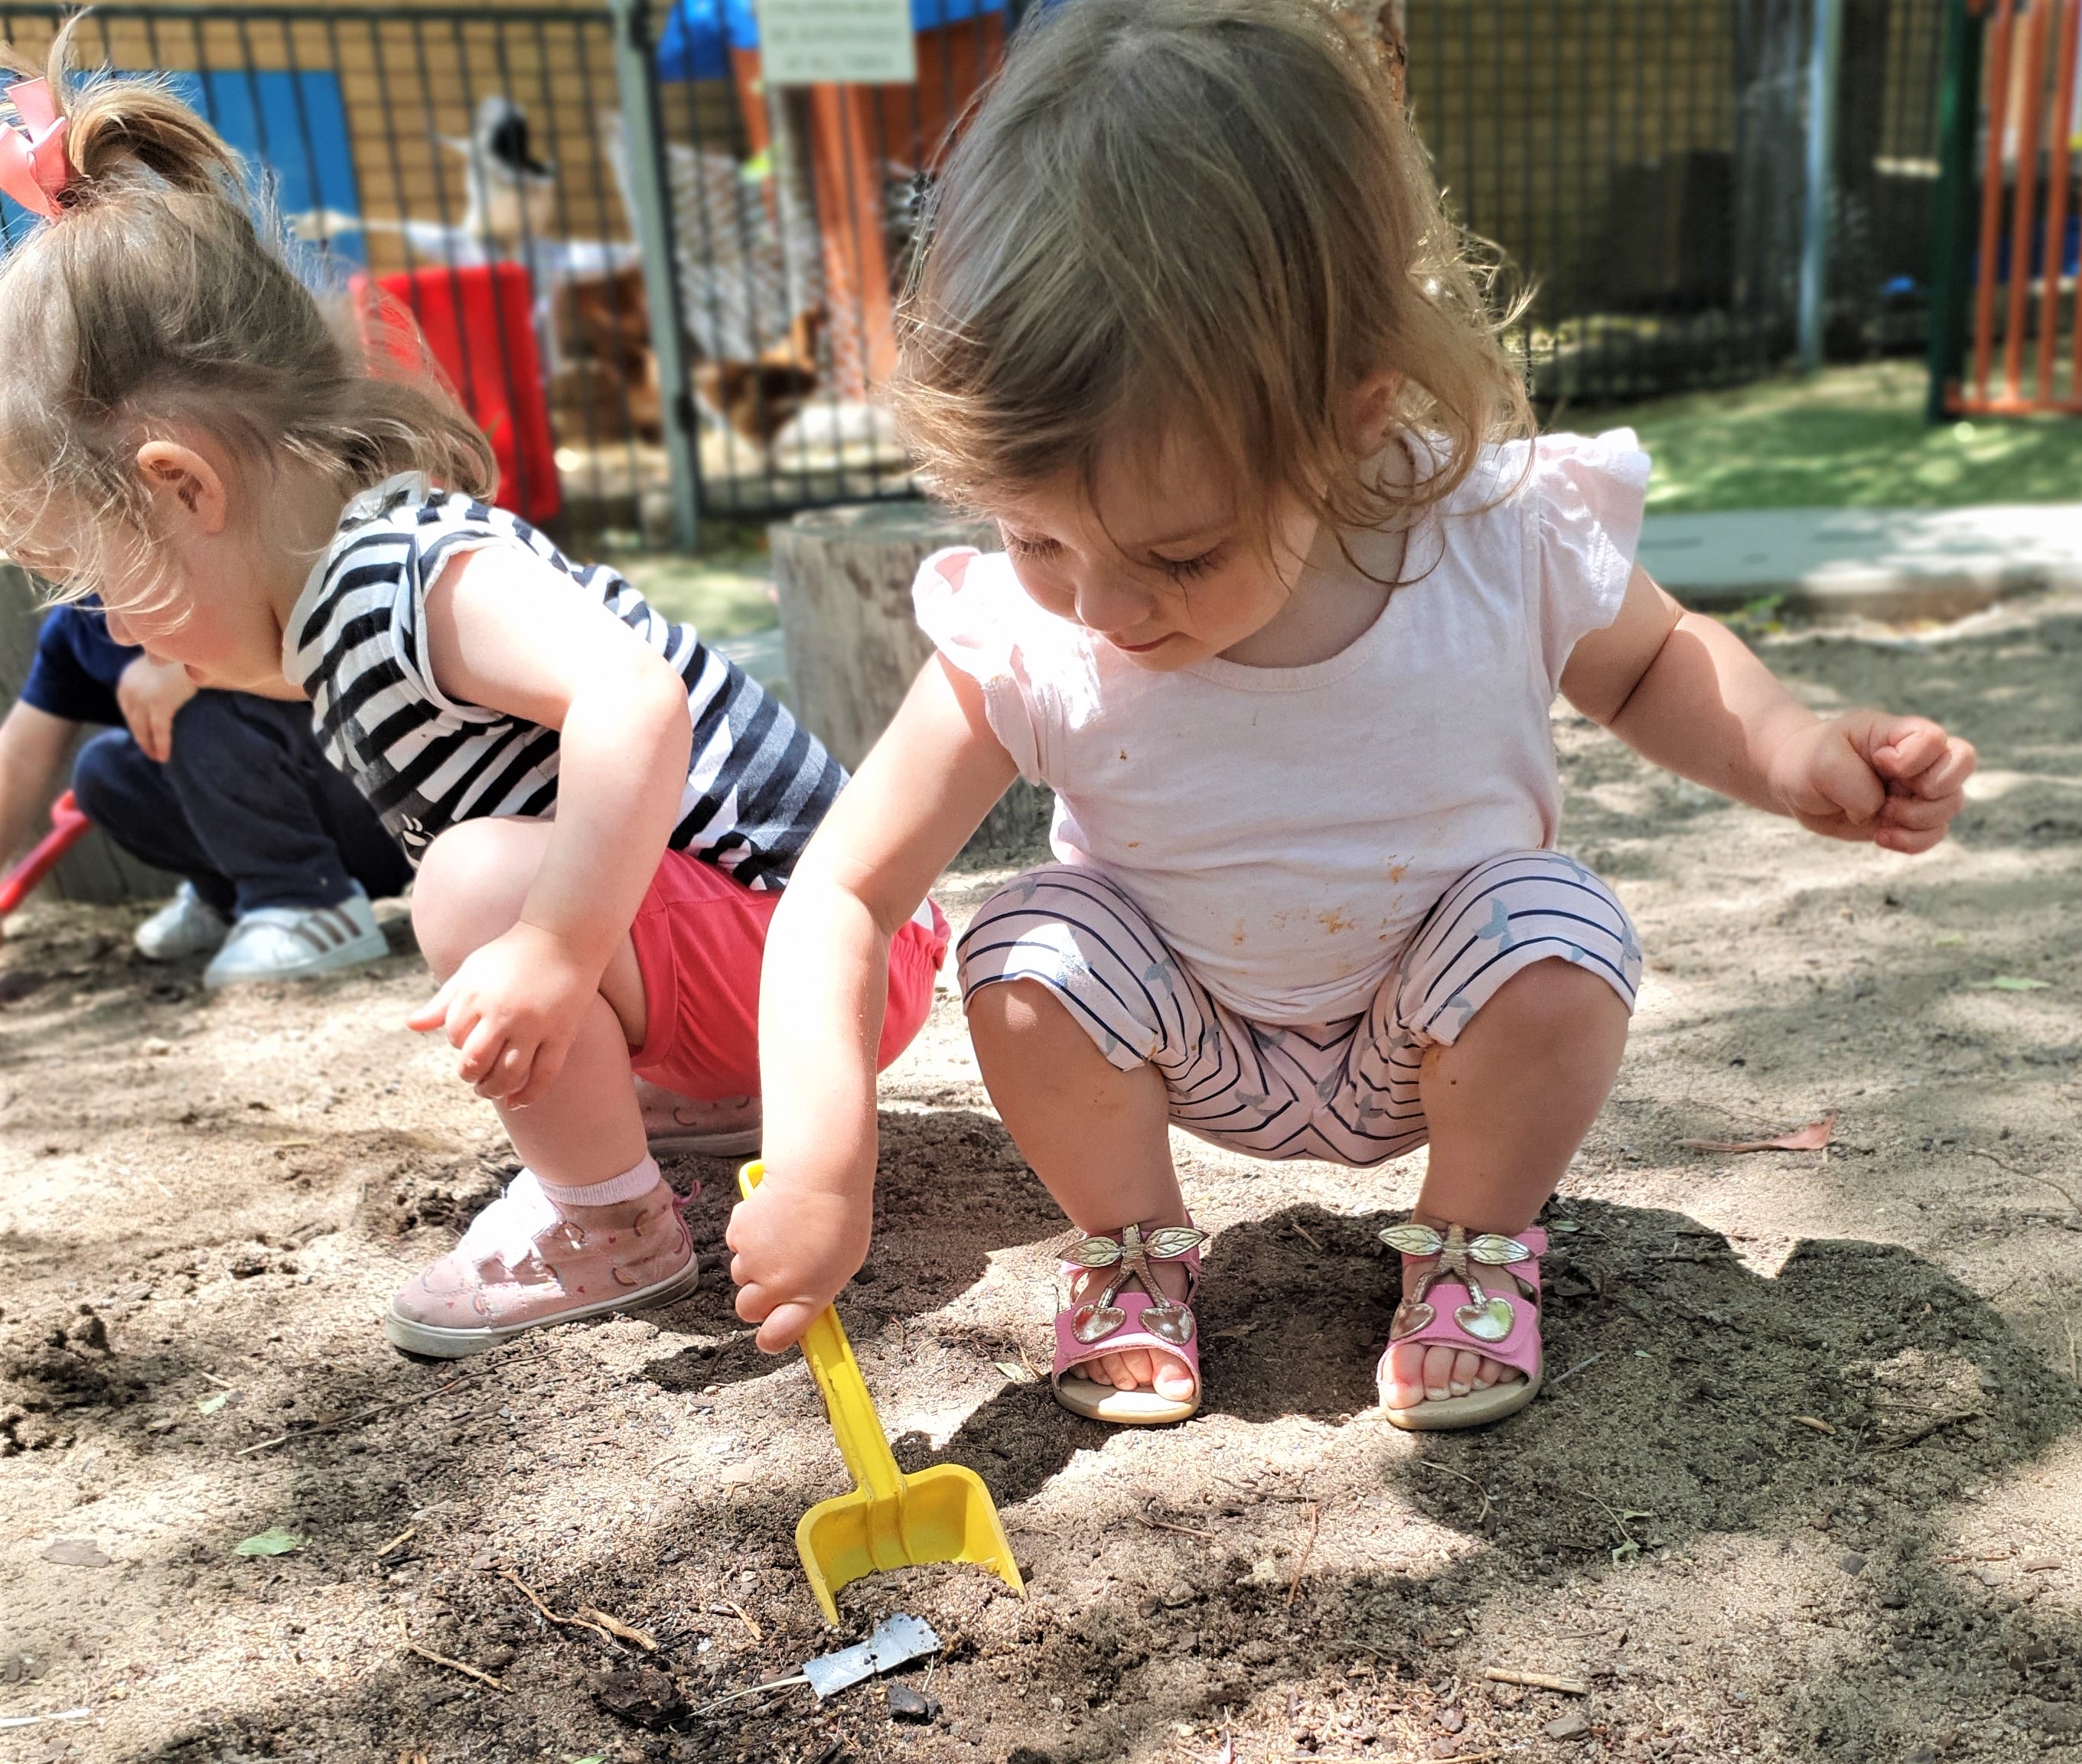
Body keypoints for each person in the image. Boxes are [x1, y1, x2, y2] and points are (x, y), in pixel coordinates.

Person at [725, 0, 1976, 1431]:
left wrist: (1798, 753)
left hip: (1433, 1032)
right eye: (1035, 538)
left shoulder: (1489, 535)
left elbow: (1651, 660)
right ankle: (1131, 1250)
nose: (1105, 607)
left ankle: (1469, 1245)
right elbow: (844, 891)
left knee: (1557, 932)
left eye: (1179, 552)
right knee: (1023, 949)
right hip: (1187, 1035)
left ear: (1350, 419)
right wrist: (822, 1156)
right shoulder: (1034, 637)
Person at [0, 35, 943, 1356]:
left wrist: (555, 952)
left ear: (182, 488)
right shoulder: (341, 602)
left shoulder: (410, 573)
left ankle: (607, 1220)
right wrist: (189, 658)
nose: (97, 619)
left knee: (471, 888)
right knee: (484, 884)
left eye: (92, 575)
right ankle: (688, 1109)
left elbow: (638, 701)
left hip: (823, 957)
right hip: (771, 970)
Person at [0, 595, 412, 984]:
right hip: (318, 822)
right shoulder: (80, 623)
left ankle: (307, 901)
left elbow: (326, 630)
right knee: (105, 770)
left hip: (387, 815)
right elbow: (20, 758)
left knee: (192, 708)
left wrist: (191, 669)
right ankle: (230, 902)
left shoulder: (218, 557)